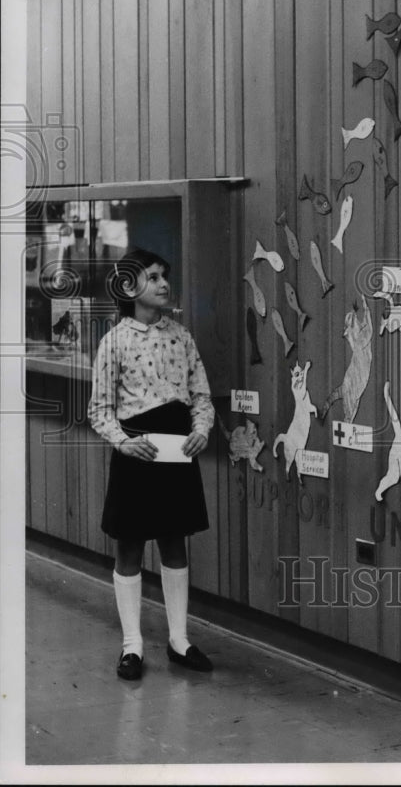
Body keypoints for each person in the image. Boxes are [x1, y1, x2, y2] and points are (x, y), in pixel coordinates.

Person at [88, 248, 216, 680]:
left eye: (165, 275)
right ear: (129, 287)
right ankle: (132, 646)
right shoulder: (114, 341)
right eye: (154, 276)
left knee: (174, 541)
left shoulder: (181, 337)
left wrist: (201, 429)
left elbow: (200, 395)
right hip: (136, 454)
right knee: (129, 545)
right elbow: (100, 410)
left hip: (177, 451)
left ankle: (179, 639)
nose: (164, 284)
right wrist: (123, 442)